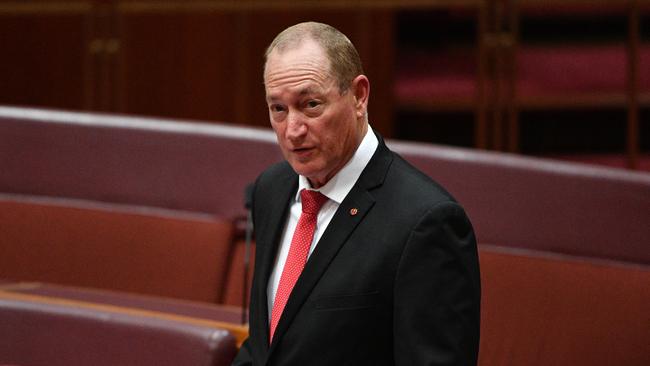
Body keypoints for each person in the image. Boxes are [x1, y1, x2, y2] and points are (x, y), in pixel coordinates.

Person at [232, 22, 480, 366]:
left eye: (311, 104)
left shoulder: (426, 223)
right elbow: (263, 350)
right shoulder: (271, 190)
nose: (293, 130)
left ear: (359, 96)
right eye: (278, 109)